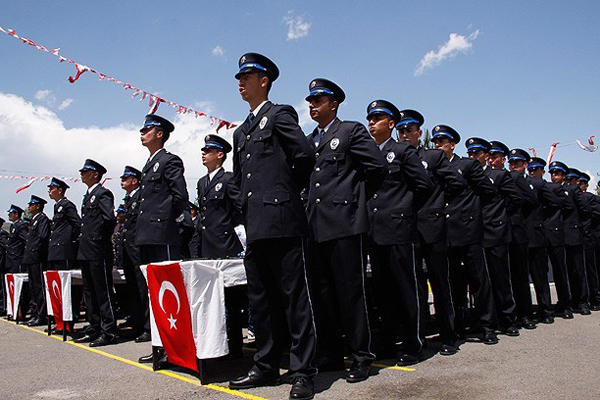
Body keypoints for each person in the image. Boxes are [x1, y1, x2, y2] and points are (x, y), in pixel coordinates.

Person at [228, 53, 317, 400]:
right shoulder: (241, 131)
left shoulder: (279, 114)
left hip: (283, 220)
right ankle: (265, 365)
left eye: (246, 76)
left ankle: (302, 372)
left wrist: (283, 195)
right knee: (261, 300)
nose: (240, 82)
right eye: (239, 77)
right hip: (255, 226)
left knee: (296, 298)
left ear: (264, 80)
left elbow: (305, 156)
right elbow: (239, 179)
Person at [305, 78, 386, 383]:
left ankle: (362, 356)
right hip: (315, 226)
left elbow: (377, 168)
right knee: (322, 295)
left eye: (318, 100)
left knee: (350, 293)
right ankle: (330, 353)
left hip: (344, 223)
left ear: (333, 103)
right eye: (310, 101)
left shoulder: (350, 131)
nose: (312, 105)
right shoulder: (310, 138)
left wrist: (354, 199)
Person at [365, 100, 432, 365]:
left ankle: (413, 344)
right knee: (383, 293)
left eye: (377, 118)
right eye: (369, 118)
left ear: (391, 124)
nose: (371, 122)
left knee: (407, 290)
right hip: (375, 231)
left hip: (400, 230)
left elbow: (423, 186)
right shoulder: (368, 152)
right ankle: (388, 342)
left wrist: (404, 209)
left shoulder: (402, 150)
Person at [397, 109, 465, 355]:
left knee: (440, 282)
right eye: (401, 130)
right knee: (413, 286)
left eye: (409, 130)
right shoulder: (396, 155)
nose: (405, 135)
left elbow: (456, 184)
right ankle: (419, 336)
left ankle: (449, 335)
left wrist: (438, 203)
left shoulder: (433, 156)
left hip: (432, 227)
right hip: (406, 227)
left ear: (419, 132)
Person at [431, 126, 498, 345]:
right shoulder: (433, 165)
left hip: (468, 230)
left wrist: (473, 213)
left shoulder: (467, 165)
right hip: (445, 232)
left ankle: (487, 326)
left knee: (478, 280)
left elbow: (489, 192)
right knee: (452, 283)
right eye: (435, 141)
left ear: (452, 144)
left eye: (442, 141)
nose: (438, 144)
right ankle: (457, 325)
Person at [135, 114, 189, 363]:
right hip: (147, 234)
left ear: (159, 134)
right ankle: (160, 346)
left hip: (163, 234)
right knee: (153, 293)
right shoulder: (148, 165)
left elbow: (180, 196)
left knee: (170, 292)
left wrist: (172, 226)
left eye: (146, 129)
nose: (141, 133)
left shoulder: (169, 161)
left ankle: (175, 348)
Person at [467, 138, 521, 336]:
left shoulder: (498, 175)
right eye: (470, 153)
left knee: (500, 278)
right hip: (474, 232)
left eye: (477, 153)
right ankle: (483, 319)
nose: (472, 156)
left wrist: (500, 217)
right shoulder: (466, 174)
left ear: (486, 156)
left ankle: (507, 319)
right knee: (479, 282)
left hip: (495, 232)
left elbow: (515, 199)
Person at [197, 134, 245, 357]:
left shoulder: (228, 179)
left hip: (226, 246)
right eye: (203, 151)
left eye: (208, 151)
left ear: (220, 155)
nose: (204, 154)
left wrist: (235, 230)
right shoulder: (202, 183)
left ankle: (235, 346)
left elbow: (239, 207)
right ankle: (218, 344)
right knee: (213, 300)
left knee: (231, 301)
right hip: (208, 247)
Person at [74, 159, 118, 347]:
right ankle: (94, 328)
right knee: (89, 291)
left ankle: (108, 331)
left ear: (95, 174)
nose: (81, 174)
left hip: (98, 249)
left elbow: (109, 219)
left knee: (103, 291)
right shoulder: (87, 196)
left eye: (85, 171)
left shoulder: (103, 193)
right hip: (85, 250)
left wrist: (99, 239)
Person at [548, 162, 590, 315]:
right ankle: (565, 301)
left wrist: (579, 227)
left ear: (564, 176)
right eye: (552, 173)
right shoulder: (549, 189)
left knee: (577, 269)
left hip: (572, 233)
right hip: (556, 235)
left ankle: (582, 301)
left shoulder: (572, 189)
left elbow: (585, 209)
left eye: (557, 174)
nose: (554, 177)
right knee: (560, 271)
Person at [22, 195, 51, 326]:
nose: (29, 207)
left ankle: (42, 315)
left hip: (37, 257)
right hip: (31, 257)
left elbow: (43, 236)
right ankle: (35, 313)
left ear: (38, 206)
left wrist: (36, 250)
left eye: (31, 204)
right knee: (33, 287)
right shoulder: (34, 220)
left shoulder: (42, 218)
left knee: (39, 287)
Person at [577, 171, 600, 310]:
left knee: (592, 269)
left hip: (591, 237)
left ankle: (595, 297)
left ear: (585, 185)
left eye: (581, 183)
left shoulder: (590, 198)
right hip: (578, 237)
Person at [47, 178, 81, 271]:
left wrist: (71, 239)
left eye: (52, 188)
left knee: (63, 277)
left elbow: (77, 223)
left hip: (63, 249)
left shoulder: (67, 205)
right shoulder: (57, 206)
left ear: (59, 190)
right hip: (55, 249)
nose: (49, 190)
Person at [5, 205, 28, 274]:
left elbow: (26, 239)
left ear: (16, 214)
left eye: (10, 213)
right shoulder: (13, 226)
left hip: (16, 257)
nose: (9, 215)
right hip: (10, 258)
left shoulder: (20, 225)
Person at [0, 217, 9, 316]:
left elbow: (6, 247)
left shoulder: (2, 234)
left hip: (1, 263)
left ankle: (3, 307)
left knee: (1, 287)